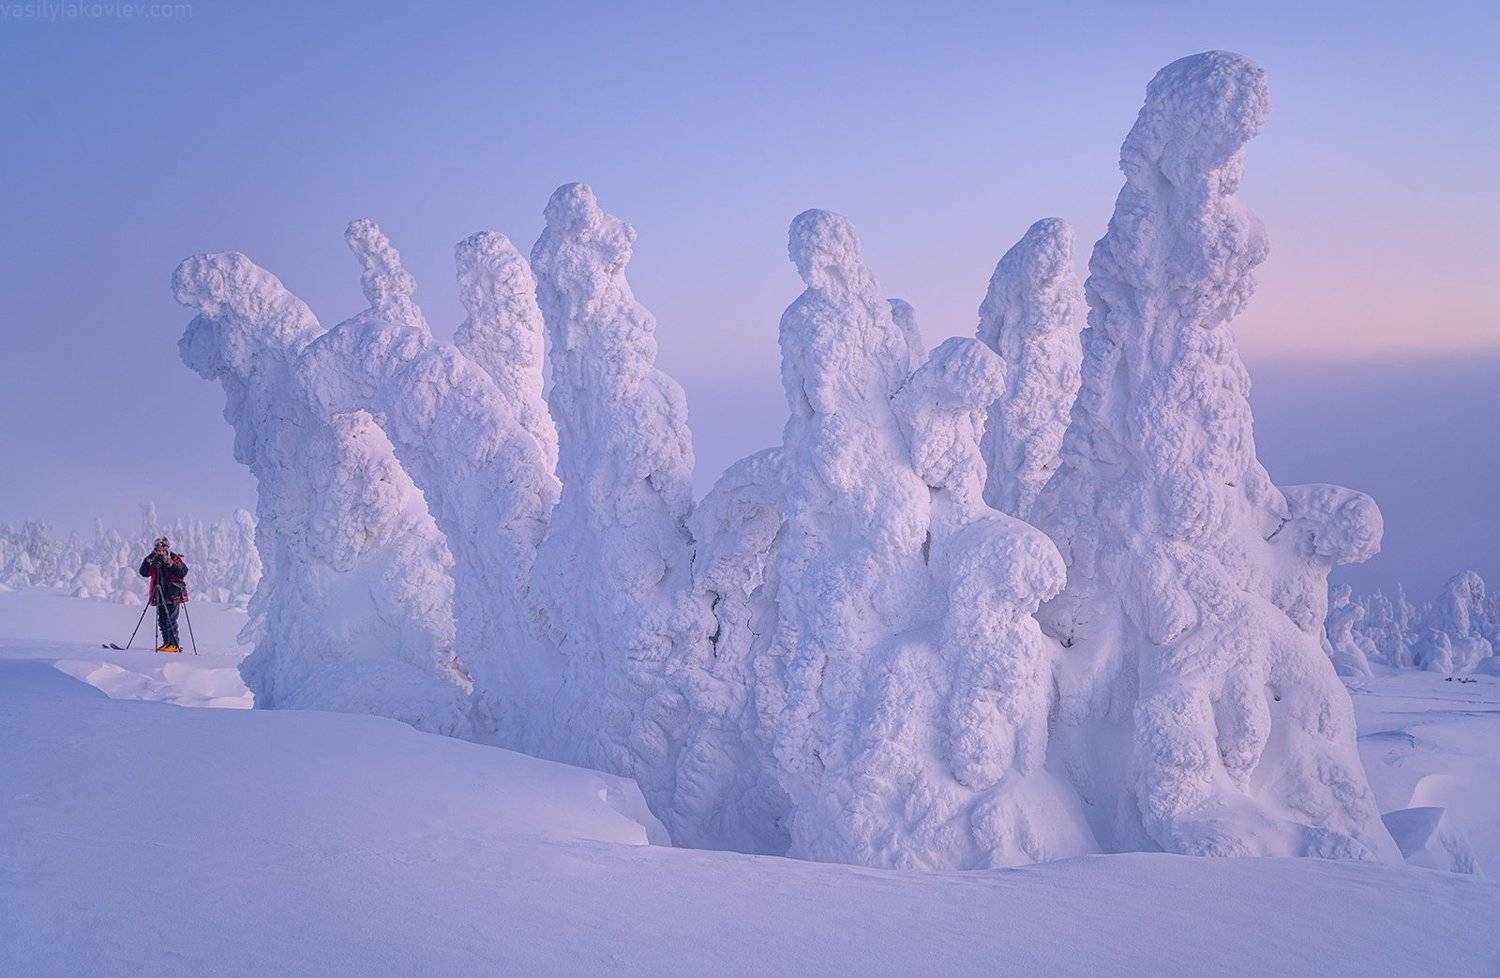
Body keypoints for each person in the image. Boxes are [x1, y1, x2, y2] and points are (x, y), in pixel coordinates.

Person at [139, 537, 190, 653]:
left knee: (170, 619)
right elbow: (144, 572)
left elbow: (183, 572)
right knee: (162, 620)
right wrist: (149, 559)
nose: (160, 551)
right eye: (158, 548)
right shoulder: (154, 560)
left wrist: (169, 562)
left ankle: (173, 644)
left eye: (163, 548)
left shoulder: (174, 558)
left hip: (173, 594)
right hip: (160, 594)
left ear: (167, 548)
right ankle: (167, 643)